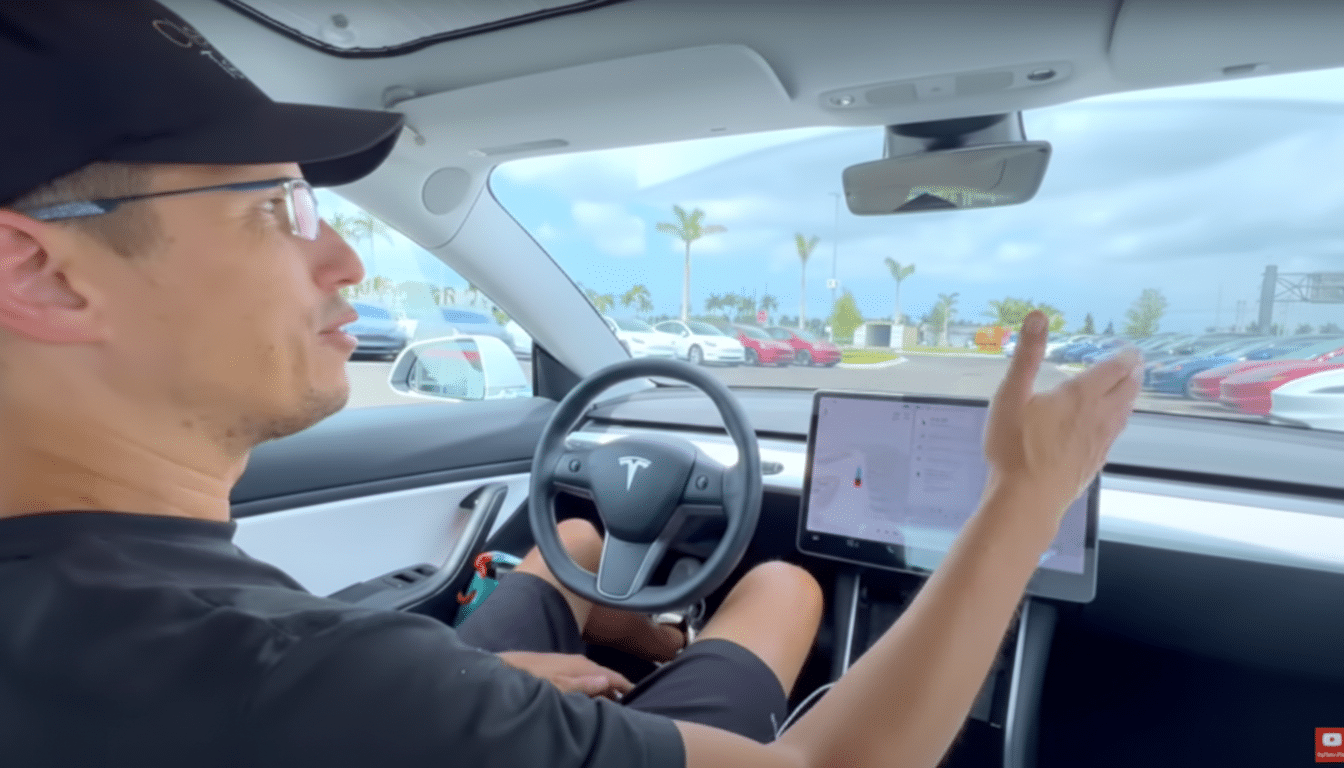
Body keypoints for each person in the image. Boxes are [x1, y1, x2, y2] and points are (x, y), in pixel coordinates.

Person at [0, 3, 1142, 767]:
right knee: (783, 586)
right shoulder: (320, 689)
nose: (344, 259)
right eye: (276, 208)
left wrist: (460, 683)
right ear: (40, 271)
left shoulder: (239, 656)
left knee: (577, 548)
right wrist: (1023, 500)